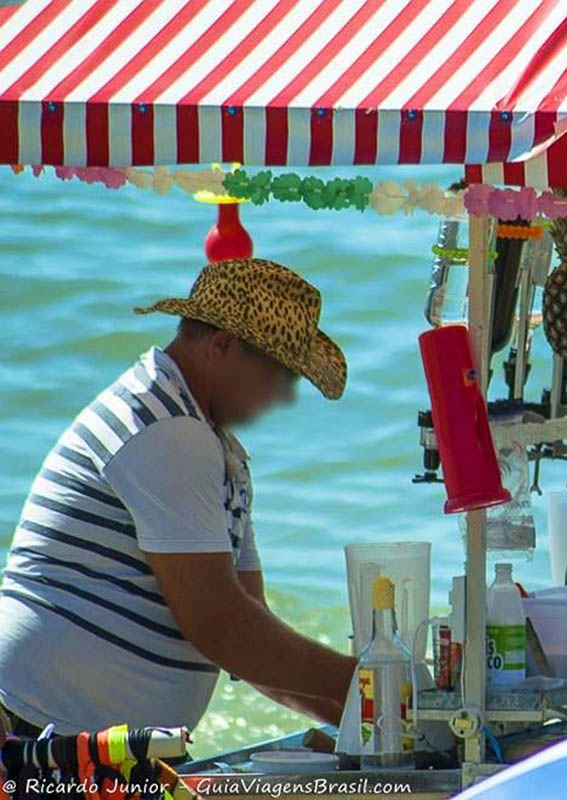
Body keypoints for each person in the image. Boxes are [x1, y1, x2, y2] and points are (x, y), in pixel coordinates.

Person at [0, 258, 357, 736]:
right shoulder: (166, 428)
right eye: (279, 375)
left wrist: (359, 714)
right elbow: (220, 627)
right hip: (38, 730)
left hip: (81, 735)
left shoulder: (214, 444)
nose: (283, 397)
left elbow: (250, 627)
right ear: (223, 346)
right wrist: (364, 684)